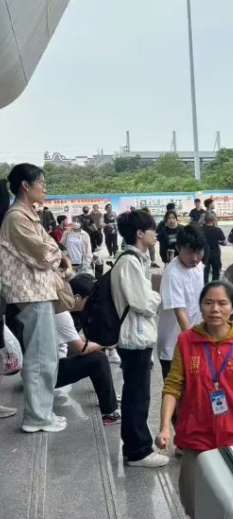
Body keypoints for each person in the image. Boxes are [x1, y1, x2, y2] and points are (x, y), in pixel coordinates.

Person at [157, 280, 233, 519]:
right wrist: (165, 427)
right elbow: (173, 385)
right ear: (200, 306)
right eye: (208, 303)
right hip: (197, 436)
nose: (215, 309)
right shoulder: (186, 341)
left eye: (222, 303)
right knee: (193, 503)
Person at [0, 165, 66, 433]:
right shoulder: (17, 217)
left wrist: (54, 250)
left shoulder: (28, 215)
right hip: (32, 292)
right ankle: (37, 417)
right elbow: (44, 254)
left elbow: (50, 247)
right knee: (40, 356)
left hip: (39, 291)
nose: (44, 188)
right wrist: (57, 252)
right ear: (25, 186)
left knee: (46, 354)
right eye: (41, 183)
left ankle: (42, 412)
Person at [112, 209, 169, 467]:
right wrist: (157, 296)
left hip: (138, 336)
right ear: (139, 233)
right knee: (137, 396)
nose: (155, 234)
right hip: (133, 338)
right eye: (151, 230)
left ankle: (135, 447)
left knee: (137, 393)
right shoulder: (129, 262)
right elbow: (143, 302)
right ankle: (138, 451)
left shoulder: (136, 260)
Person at [55, 274, 121, 424]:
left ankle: (106, 390)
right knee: (98, 359)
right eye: (90, 300)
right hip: (49, 375)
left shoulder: (58, 307)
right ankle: (110, 412)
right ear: (77, 297)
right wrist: (108, 342)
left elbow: (76, 339)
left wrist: (101, 340)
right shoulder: (62, 314)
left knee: (95, 347)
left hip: (41, 369)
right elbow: (82, 348)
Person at [157, 224, 206, 379]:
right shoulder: (173, 273)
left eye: (199, 252)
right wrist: (192, 344)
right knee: (176, 390)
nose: (195, 258)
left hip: (196, 340)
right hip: (174, 347)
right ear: (178, 248)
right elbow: (180, 313)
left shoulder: (199, 266)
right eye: (189, 252)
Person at [201, 212, 226, 284]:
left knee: (205, 273)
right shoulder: (218, 230)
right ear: (214, 220)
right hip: (215, 253)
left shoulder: (201, 230)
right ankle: (214, 286)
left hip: (204, 254)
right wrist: (218, 242)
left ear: (205, 220)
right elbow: (224, 243)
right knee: (216, 272)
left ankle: (205, 287)